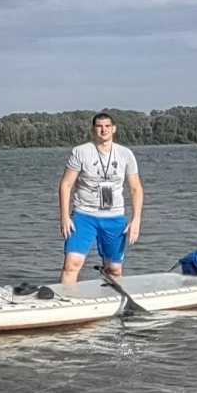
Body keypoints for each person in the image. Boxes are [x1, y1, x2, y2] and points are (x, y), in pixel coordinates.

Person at [59, 112, 144, 286]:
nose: (103, 130)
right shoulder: (80, 152)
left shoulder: (125, 154)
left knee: (114, 269)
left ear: (113, 129)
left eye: (107, 126)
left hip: (114, 217)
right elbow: (66, 185)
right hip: (84, 215)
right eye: (99, 126)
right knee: (71, 264)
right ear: (93, 129)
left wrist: (136, 220)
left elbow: (136, 188)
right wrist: (65, 217)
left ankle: (112, 302)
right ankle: (65, 301)